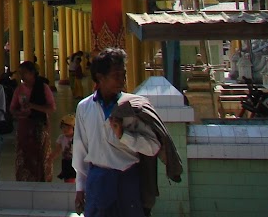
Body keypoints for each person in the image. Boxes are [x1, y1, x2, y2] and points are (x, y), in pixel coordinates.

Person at [73, 48, 161, 217]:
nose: (122, 80)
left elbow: (153, 147)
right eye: (116, 75)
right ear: (100, 77)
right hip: (97, 182)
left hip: (128, 182)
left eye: (124, 74)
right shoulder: (84, 108)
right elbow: (80, 150)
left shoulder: (134, 107)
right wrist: (80, 187)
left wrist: (124, 136)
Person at [10, 60, 56, 182]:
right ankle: (25, 180)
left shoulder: (43, 87)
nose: (22, 76)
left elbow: (51, 108)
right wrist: (19, 113)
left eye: (24, 73)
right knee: (25, 155)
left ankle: (41, 179)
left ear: (32, 73)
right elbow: (12, 108)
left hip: (39, 126)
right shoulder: (19, 89)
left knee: (40, 155)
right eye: (20, 74)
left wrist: (33, 106)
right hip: (24, 127)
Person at [53, 114, 77, 183]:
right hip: (66, 162)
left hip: (75, 161)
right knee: (68, 179)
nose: (65, 130)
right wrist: (51, 158)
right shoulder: (61, 138)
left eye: (68, 128)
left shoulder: (77, 138)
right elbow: (57, 151)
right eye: (63, 127)